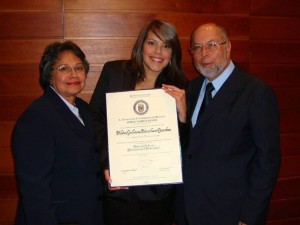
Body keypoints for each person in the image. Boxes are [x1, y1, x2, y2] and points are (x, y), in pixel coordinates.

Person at [176, 23, 281, 225]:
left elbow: (267, 162)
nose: (203, 54)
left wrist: (250, 217)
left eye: (212, 45)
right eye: (196, 48)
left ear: (228, 47)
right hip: (188, 210)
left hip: (230, 214)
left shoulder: (256, 92)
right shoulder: (191, 89)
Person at [89, 19, 188, 225]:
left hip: (157, 194)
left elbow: (187, 145)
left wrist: (182, 116)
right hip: (119, 190)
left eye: (166, 46)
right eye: (152, 43)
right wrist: (108, 162)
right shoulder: (114, 72)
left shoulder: (181, 87)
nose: (158, 51)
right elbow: (95, 119)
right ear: (141, 44)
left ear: (173, 54)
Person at [12, 41, 104, 225]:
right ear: (49, 75)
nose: (73, 74)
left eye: (78, 68)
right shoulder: (37, 117)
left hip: (88, 214)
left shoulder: (84, 109)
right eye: (64, 68)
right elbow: (34, 191)